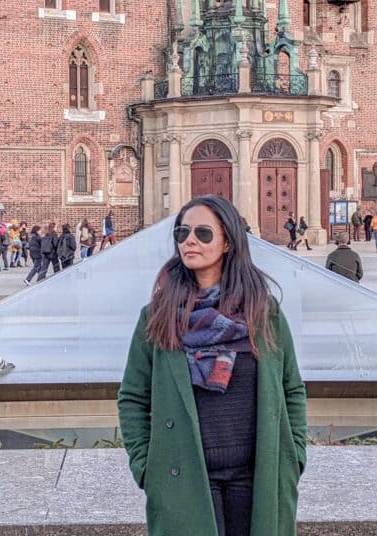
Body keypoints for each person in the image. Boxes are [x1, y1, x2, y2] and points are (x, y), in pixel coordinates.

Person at [117, 195, 307, 536]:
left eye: (203, 233)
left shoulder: (262, 312)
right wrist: (147, 468)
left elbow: (291, 389)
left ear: (228, 242)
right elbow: (133, 397)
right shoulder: (158, 316)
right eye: (182, 232)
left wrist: (293, 457)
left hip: (257, 476)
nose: (189, 240)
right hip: (185, 478)